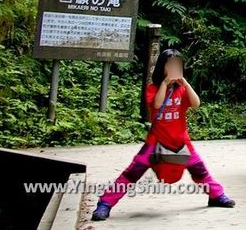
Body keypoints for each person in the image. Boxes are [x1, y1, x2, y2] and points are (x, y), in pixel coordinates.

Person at [90, 49, 235, 221]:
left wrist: (186, 84)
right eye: (171, 65)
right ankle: (105, 203)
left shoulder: (181, 89)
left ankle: (216, 195)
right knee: (132, 172)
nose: (175, 68)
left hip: (181, 140)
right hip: (155, 141)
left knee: (199, 170)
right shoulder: (153, 88)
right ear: (162, 67)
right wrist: (165, 84)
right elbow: (157, 105)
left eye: (178, 65)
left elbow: (196, 103)